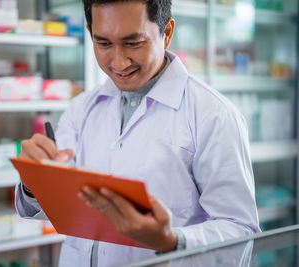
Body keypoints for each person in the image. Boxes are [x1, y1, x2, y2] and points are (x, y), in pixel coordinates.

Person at [15, 0, 261, 266]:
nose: (119, 62)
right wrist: (35, 181)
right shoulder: (81, 109)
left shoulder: (213, 114)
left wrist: (171, 241)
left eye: (133, 43)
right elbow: (58, 207)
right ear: (90, 34)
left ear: (166, 33)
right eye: (104, 44)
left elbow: (240, 231)